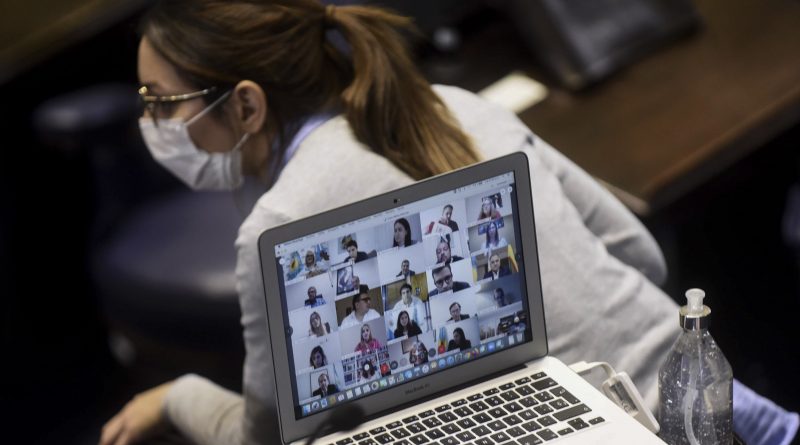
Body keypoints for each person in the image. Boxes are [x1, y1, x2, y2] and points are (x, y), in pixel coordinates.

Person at [105, 2, 782, 444]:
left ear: (247, 106)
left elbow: (266, 438)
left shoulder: (275, 226)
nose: (149, 122)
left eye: (162, 102)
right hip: (726, 406)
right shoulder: (458, 104)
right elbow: (642, 257)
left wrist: (177, 398)